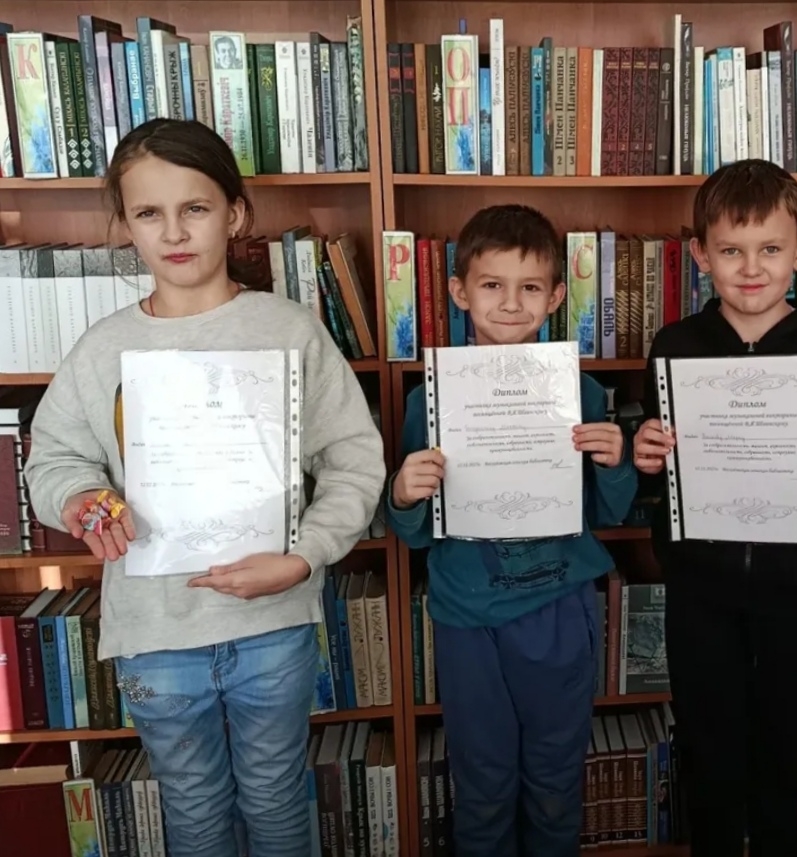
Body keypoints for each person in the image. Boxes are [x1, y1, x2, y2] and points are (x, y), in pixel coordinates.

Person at [24, 118, 386, 857]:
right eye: (148, 213)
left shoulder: (288, 330)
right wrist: (80, 499)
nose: (173, 231)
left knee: (277, 796)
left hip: (272, 624)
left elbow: (353, 459)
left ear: (235, 213)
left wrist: (305, 555)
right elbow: (54, 458)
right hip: (154, 635)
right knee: (190, 806)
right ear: (125, 225)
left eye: (194, 207)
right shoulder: (101, 348)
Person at [631, 159, 797, 857]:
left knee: (780, 749)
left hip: (794, 590)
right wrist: (647, 451)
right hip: (699, 588)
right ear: (700, 255)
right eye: (731, 250)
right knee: (708, 750)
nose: (750, 268)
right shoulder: (675, 346)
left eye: (770, 248)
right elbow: (660, 469)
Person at [386, 204, 637, 857]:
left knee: (555, 778)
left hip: (558, 610)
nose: (509, 303)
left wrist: (614, 463)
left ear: (554, 297)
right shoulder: (427, 400)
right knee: (483, 780)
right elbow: (414, 534)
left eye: (529, 287)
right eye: (492, 284)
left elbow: (608, 514)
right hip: (468, 617)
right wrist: (405, 493)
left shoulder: (582, 394)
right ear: (459, 291)